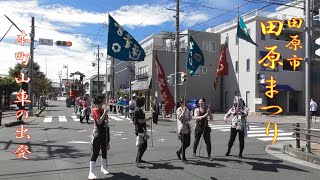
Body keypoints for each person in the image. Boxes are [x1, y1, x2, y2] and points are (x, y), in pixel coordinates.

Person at [88, 94, 110, 179]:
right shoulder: (96, 110)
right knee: (95, 152)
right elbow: (99, 122)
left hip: (104, 132)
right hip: (97, 133)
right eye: (104, 99)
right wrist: (105, 113)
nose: (105, 101)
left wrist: (107, 121)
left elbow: (105, 121)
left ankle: (103, 168)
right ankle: (91, 172)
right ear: (101, 100)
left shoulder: (102, 109)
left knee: (104, 150)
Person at [135, 96, 152, 168]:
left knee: (144, 146)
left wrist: (146, 125)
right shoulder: (138, 110)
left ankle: (139, 159)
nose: (144, 103)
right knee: (142, 146)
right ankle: (137, 161)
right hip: (140, 130)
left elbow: (141, 121)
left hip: (142, 129)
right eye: (143, 102)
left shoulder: (139, 109)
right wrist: (148, 119)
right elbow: (139, 121)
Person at [176, 99, 191, 163]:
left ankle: (179, 152)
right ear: (180, 103)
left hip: (187, 127)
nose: (185, 103)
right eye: (183, 102)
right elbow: (180, 117)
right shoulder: (179, 109)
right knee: (183, 142)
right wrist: (183, 112)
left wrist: (190, 117)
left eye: (185, 102)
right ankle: (183, 158)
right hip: (182, 128)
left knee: (188, 143)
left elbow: (189, 118)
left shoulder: (187, 109)